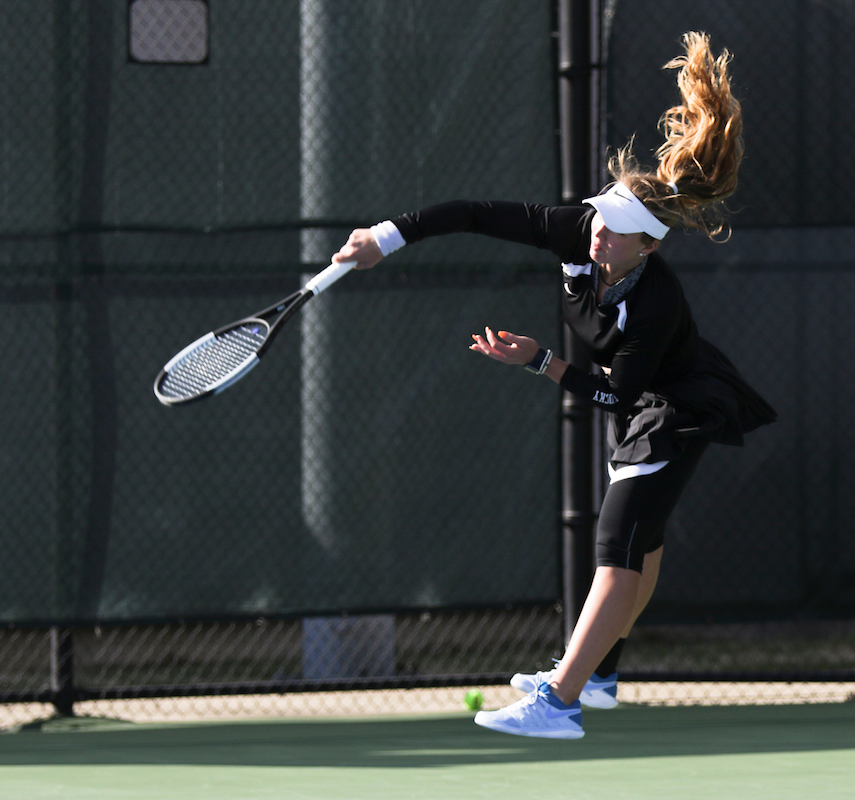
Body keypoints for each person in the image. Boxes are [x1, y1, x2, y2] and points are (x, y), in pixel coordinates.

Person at [331, 32, 775, 739]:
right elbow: (475, 213)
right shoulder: (579, 230)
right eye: (602, 217)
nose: (600, 234)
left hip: (675, 406)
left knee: (618, 538)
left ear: (649, 246)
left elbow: (621, 397)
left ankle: (559, 701)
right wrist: (385, 237)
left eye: (619, 231)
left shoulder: (653, 303)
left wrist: (539, 361)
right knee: (643, 543)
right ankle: (598, 676)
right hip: (634, 397)